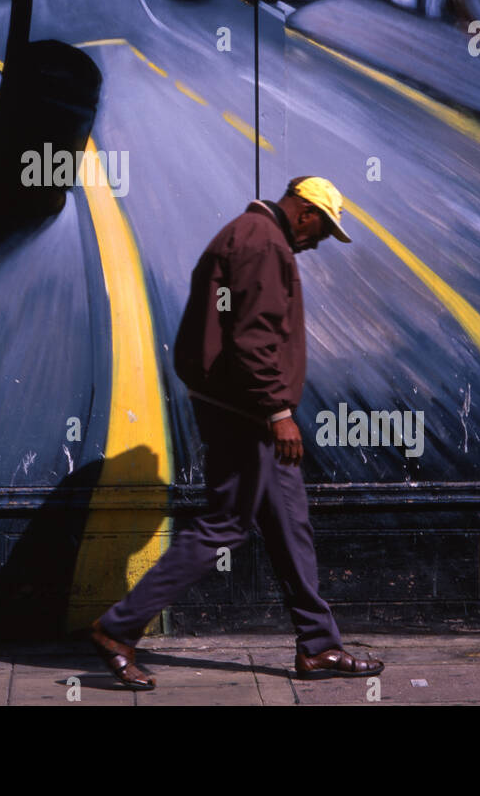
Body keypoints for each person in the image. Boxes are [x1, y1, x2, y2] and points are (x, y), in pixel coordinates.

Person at [89, 176, 384, 689]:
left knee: (290, 527)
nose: (317, 243)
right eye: (322, 230)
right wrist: (277, 411)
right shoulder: (264, 244)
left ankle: (319, 647)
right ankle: (118, 629)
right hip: (247, 415)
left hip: (241, 409)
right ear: (306, 213)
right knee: (224, 525)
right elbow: (254, 339)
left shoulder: (246, 234)